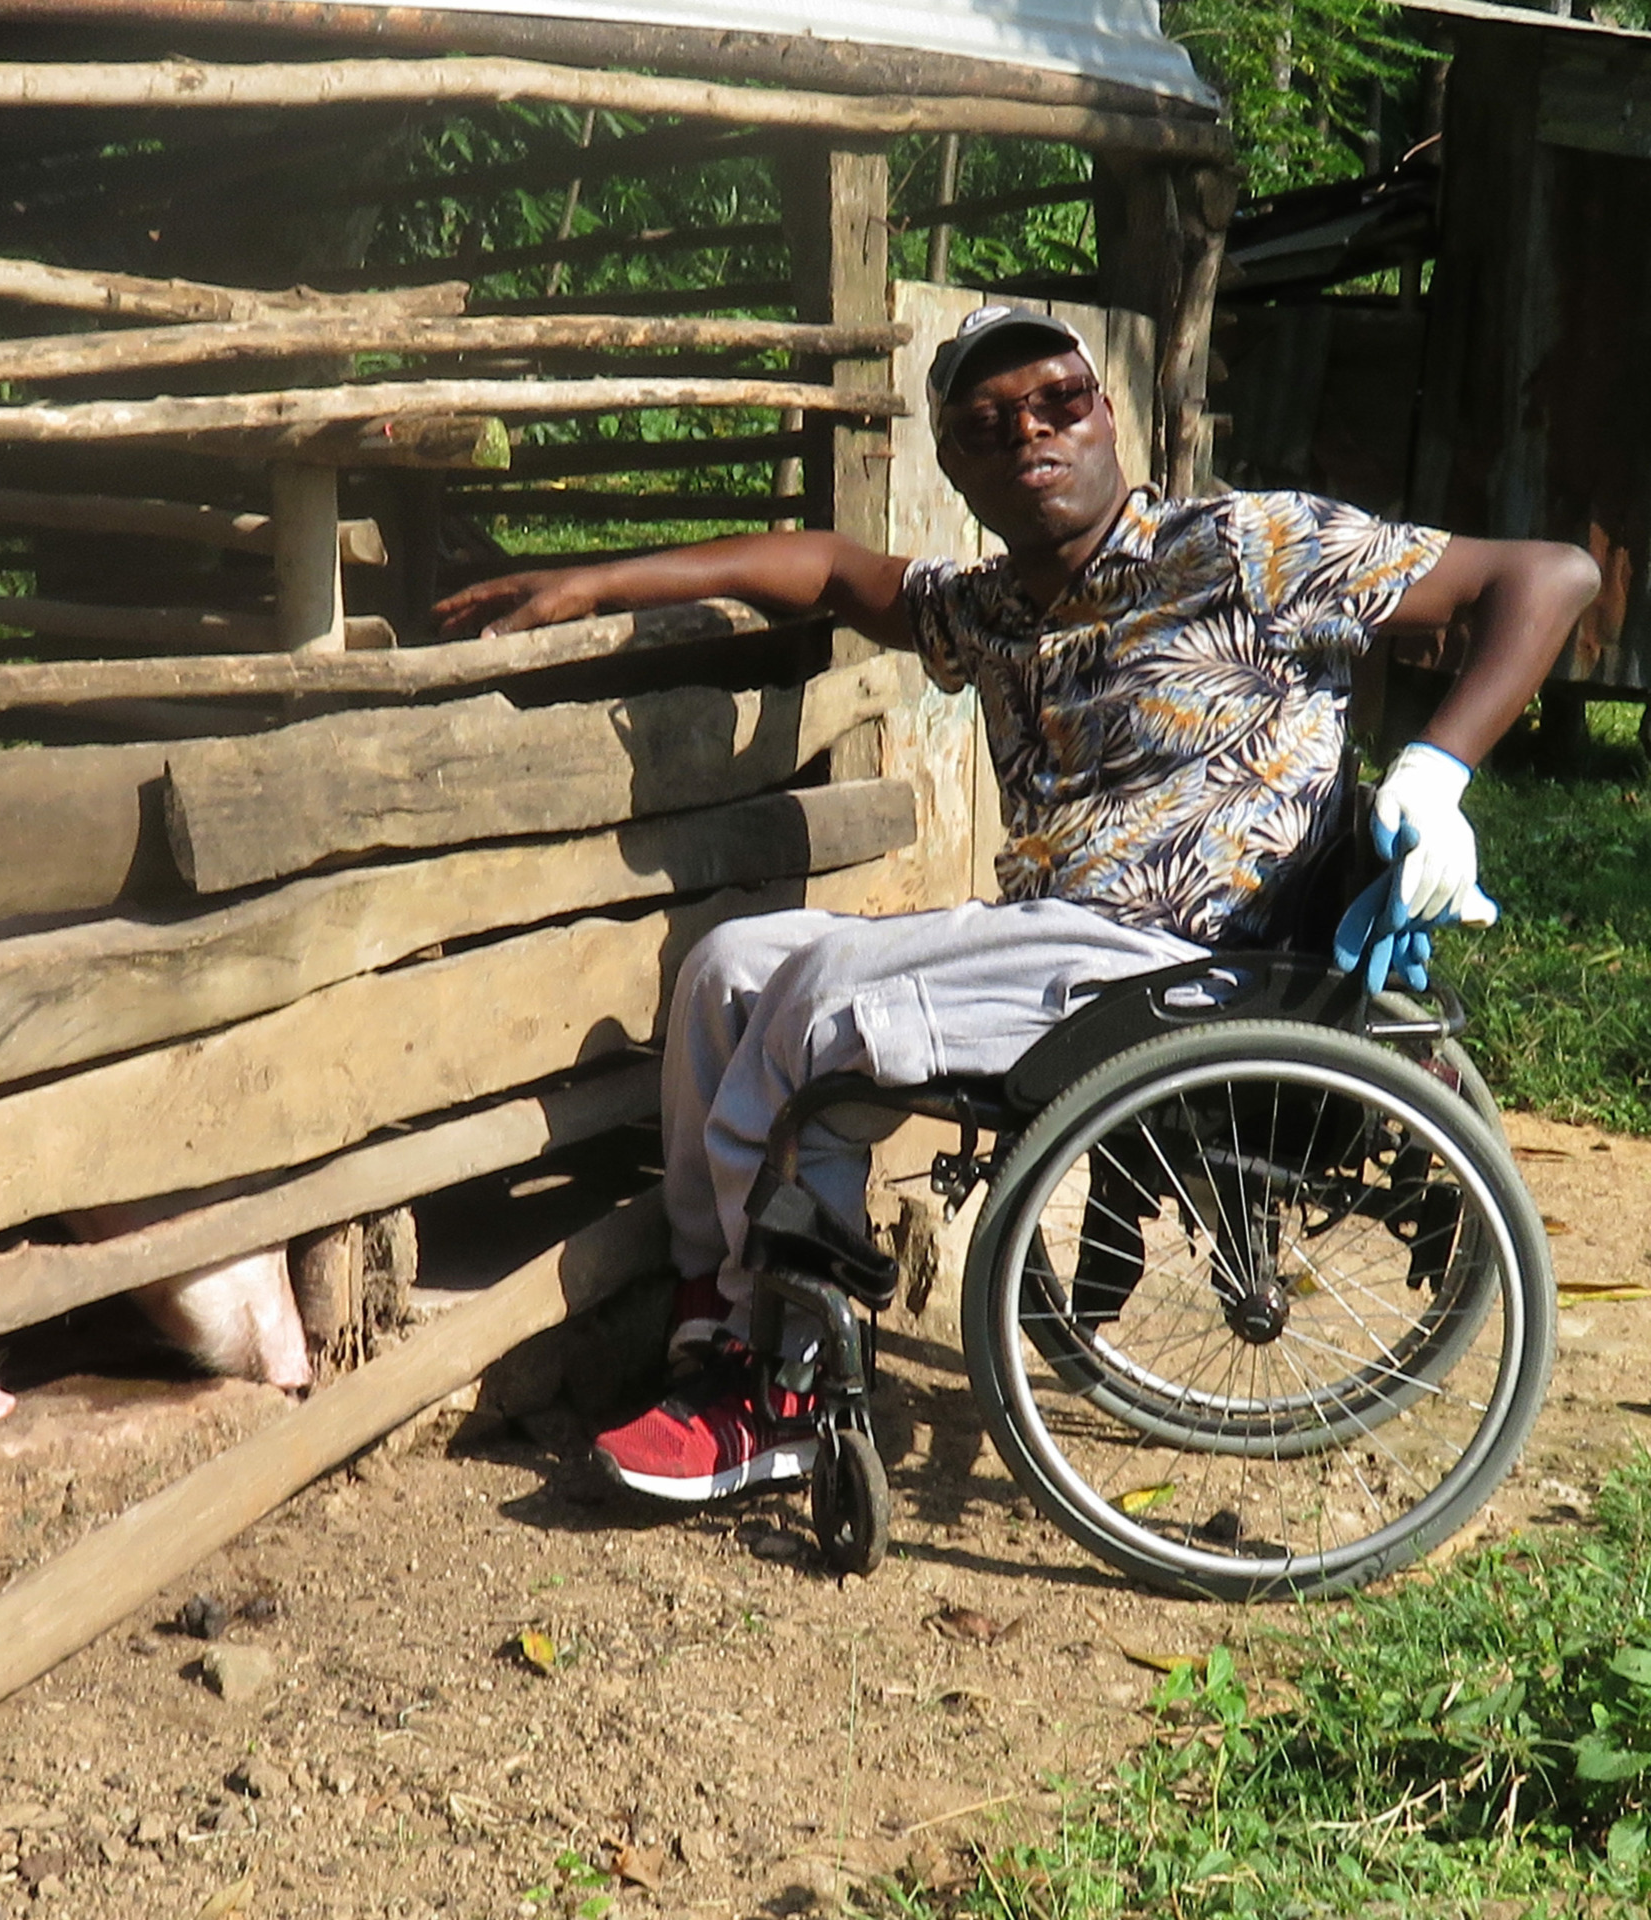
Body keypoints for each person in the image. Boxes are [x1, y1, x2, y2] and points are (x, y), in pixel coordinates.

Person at [433, 306, 1600, 1505]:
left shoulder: (1241, 547)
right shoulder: (990, 609)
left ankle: (772, 1389)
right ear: (957, 469)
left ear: (1111, 419)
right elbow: (833, 568)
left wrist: (1438, 769)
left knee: (831, 1008)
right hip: (1059, 955)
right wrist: (595, 580)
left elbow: (1550, 576)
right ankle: (713, 1316)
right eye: (989, 427)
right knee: (730, 967)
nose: (1031, 436)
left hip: (1188, 958)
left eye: (1058, 404)